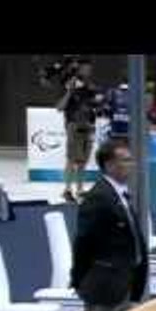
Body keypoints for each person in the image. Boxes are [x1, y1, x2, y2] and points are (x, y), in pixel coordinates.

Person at [71, 140, 148, 311]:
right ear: (110, 164)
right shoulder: (98, 198)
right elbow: (83, 243)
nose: (130, 165)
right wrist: (81, 279)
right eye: (125, 160)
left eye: (130, 159)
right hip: (105, 282)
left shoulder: (119, 194)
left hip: (123, 279)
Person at [56, 58, 102, 203]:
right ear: (79, 68)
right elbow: (59, 107)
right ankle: (67, 190)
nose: (88, 71)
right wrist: (69, 92)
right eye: (85, 68)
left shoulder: (91, 87)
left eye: (89, 68)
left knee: (83, 161)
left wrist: (99, 103)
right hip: (74, 125)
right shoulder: (70, 84)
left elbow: (97, 107)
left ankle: (80, 190)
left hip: (89, 126)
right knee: (71, 159)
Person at [103, 77, 131, 141]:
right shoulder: (134, 92)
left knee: (115, 138)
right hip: (128, 122)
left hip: (116, 121)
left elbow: (106, 107)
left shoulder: (112, 91)